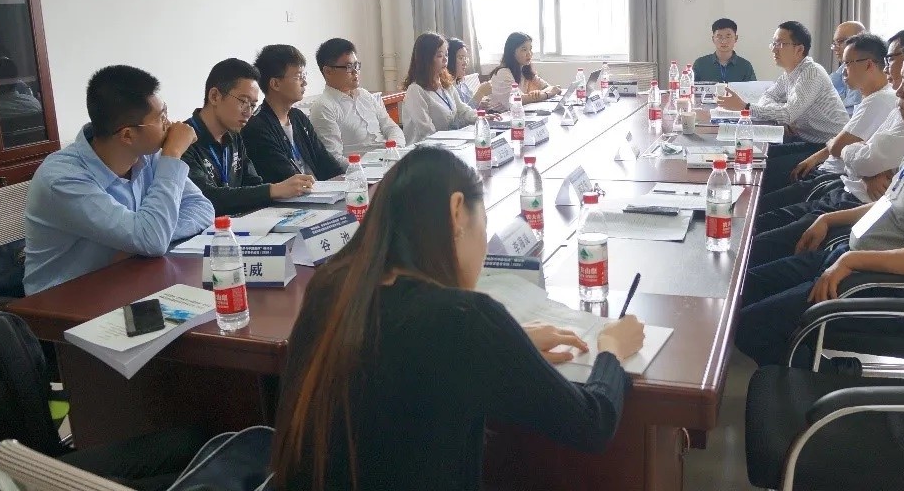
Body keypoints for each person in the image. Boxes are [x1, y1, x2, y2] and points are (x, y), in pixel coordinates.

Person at [269, 147, 644, 490]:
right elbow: (591, 424)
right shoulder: (465, 319)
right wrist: (611, 351)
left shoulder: (330, 287)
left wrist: (511, 343)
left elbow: (399, 353)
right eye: (484, 223)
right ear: (457, 210)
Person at [734, 33, 904, 368]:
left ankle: (834, 377)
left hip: (876, 284)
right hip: (847, 256)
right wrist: (829, 219)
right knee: (745, 284)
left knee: (749, 326)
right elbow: (888, 203)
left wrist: (853, 261)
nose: (898, 91)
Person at [24, 65, 214, 295]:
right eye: (161, 118)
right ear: (127, 135)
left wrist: (141, 244)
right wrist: (172, 155)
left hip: (127, 280)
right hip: (62, 300)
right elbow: (152, 239)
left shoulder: (147, 155)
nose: (170, 124)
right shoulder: (62, 179)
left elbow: (201, 207)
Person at [747, 32, 904, 267]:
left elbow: (845, 149)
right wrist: (857, 159)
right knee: (761, 203)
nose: (842, 70)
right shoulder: (890, 104)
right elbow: (854, 152)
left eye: (847, 63)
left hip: (840, 189)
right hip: (840, 185)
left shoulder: (885, 102)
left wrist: (856, 157)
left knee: (757, 228)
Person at [717, 21, 849, 192]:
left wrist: (746, 106)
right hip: (807, 140)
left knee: (764, 169)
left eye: (780, 44)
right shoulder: (790, 73)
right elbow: (767, 97)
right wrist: (784, 115)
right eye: (773, 43)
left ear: (799, 49)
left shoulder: (811, 72)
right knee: (759, 156)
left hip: (828, 148)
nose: (774, 49)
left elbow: (787, 114)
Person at [182, 58, 315, 216]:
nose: (248, 113)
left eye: (252, 105)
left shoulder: (234, 135)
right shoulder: (183, 141)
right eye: (243, 102)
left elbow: (252, 182)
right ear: (215, 96)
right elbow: (207, 198)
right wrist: (273, 190)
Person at [241, 44, 342, 183]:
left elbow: (324, 160)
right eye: (299, 76)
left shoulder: (298, 117)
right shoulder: (257, 127)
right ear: (275, 84)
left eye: (304, 75)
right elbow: (285, 176)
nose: (305, 82)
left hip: (319, 191)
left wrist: (347, 181)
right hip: (297, 194)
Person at [310, 38, 405, 169]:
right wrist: (369, 167)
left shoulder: (364, 95)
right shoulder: (323, 107)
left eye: (356, 65)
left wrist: (395, 152)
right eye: (349, 67)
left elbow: (391, 127)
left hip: (390, 162)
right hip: (363, 172)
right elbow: (334, 158)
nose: (355, 72)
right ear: (328, 71)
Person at [400, 32, 479, 144]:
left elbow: (462, 110)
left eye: (446, 55)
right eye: (440, 56)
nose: (445, 60)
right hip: (424, 149)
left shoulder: (446, 84)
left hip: (448, 144)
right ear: (426, 59)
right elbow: (427, 132)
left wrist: (481, 117)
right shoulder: (416, 90)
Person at [484, 32, 561, 112]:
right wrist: (546, 94)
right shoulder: (502, 73)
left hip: (515, 114)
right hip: (498, 115)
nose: (529, 53)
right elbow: (516, 100)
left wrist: (539, 93)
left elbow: (549, 87)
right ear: (512, 52)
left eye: (530, 49)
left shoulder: (524, 71)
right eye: (524, 50)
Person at [691, 18, 757, 83]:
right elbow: (691, 88)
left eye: (728, 37)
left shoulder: (745, 66)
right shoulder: (700, 64)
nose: (724, 42)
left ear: (736, 38)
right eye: (719, 37)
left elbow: (753, 89)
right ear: (713, 39)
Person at [829, 21, 866, 115]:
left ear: (861, 40)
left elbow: (851, 114)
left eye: (840, 41)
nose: (835, 48)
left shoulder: (865, 73)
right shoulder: (841, 71)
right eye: (834, 43)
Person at [447, 37, 475, 105]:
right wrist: (480, 93)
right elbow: (461, 111)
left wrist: (480, 103)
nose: (465, 62)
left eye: (466, 58)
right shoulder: (448, 87)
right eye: (461, 58)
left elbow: (469, 104)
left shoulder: (462, 84)